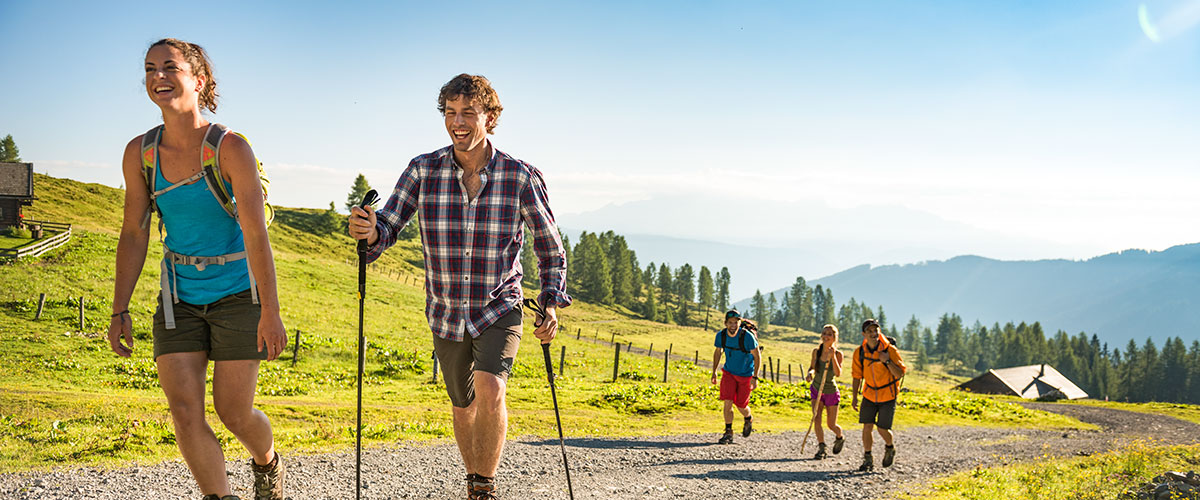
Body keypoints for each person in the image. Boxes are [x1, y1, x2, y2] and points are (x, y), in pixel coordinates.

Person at [348, 74, 571, 500]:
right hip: (446, 310)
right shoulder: (422, 170)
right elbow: (388, 226)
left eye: (468, 112)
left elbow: (550, 247)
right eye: (450, 112)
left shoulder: (519, 176)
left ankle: (483, 487)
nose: (458, 121)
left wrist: (550, 302)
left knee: (491, 390)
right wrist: (369, 231)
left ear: (490, 117)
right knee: (463, 405)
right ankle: (474, 478)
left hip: (498, 306)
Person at [107, 38, 287, 500]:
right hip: (178, 299)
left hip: (236, 295)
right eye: (150, 69)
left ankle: (267, 463)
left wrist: (271, 312)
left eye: (170, 67)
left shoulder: (230, 149)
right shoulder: (140, 154)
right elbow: (134, 233)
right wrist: (118, 308)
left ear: (199, 79)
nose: (158, 77)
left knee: (234, 413)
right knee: (185, 412)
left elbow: (256, 235)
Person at [851, 318, 906, 472]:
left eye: (876, 330)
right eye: (870, 331)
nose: (874, 333)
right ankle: (867, 458)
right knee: (867, 427)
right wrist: (855, 397)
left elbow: (899, 374)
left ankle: (890, 447)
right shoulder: (859, 352)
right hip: (869, 394)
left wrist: (887, 361)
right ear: (864, 334)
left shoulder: (890, 350)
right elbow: (857, 376)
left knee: (882, 429)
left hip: (888, 395)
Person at [710, 310, 761, 444]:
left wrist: (755, 377)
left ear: (739, 323)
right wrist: (714, 371)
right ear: (726, 323)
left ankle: (748, 418)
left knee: (741, 405)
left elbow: (757, 356)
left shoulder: (747, 336)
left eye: (736, 322)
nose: (733, 325)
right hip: (729, 373)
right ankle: (728, 432)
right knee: (728, 401)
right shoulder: (721, 336)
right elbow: (717, 352)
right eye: (730, 323)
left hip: (745, 375)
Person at [805, 324, 845, 459]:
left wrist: (832, 356)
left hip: (830, 391)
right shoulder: (816, 351)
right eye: (824, 333)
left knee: (831, 424)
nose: (826, 336)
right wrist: (810, 374)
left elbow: (838, 373)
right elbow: (812, 367)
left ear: (834, 338)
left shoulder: (838, 354)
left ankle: (839, 437)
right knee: (816, 418)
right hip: (816, 388)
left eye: (829, 334)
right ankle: (821, 447)